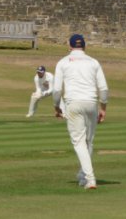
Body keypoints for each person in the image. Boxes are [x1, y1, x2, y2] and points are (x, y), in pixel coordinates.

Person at [52, 34, 109, 190]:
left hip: (73, 104)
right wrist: (103, 108)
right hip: (91, 103)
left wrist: (57, 107)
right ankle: (83, 176)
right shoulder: (93, 62)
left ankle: (90, 179)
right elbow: (103, 89)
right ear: (84, 46)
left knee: (79, 142)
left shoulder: (63, 62)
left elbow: (56, 90)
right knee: (88, 142)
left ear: (69, 46)